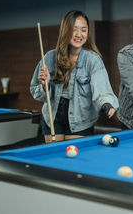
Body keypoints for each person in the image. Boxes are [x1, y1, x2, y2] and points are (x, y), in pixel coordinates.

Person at [30, 10, 118, 143]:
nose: (79, 34)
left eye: (83, 30)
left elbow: (102, 90)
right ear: (65, 31)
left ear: (88, 33)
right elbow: (35, 92)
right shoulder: (49, 57)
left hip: (80, 118)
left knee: (73, 157)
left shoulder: (93, 60)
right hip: (53, 117)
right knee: (55, 158)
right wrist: (45, 85)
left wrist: (106, 104)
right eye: (74, 29)